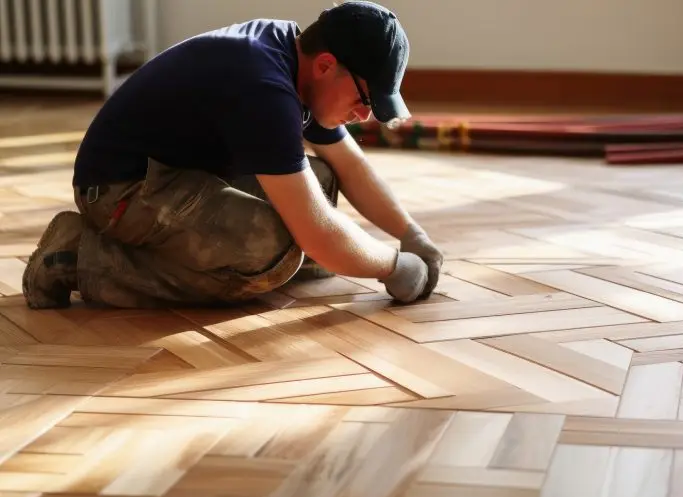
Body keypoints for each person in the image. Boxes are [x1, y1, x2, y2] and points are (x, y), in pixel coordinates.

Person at [21, 1, 443, 310]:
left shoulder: (293, 55)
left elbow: (351, 166)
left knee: (324, 180)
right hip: (121, 190)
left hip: (176, 176)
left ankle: (201, 256)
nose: (363, 114)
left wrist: (411, 235)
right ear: (327, 65)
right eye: (364, 98)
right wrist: (393, 266)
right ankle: (76, 257)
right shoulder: (264, 88)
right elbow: (317, 234)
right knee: (270, 257)